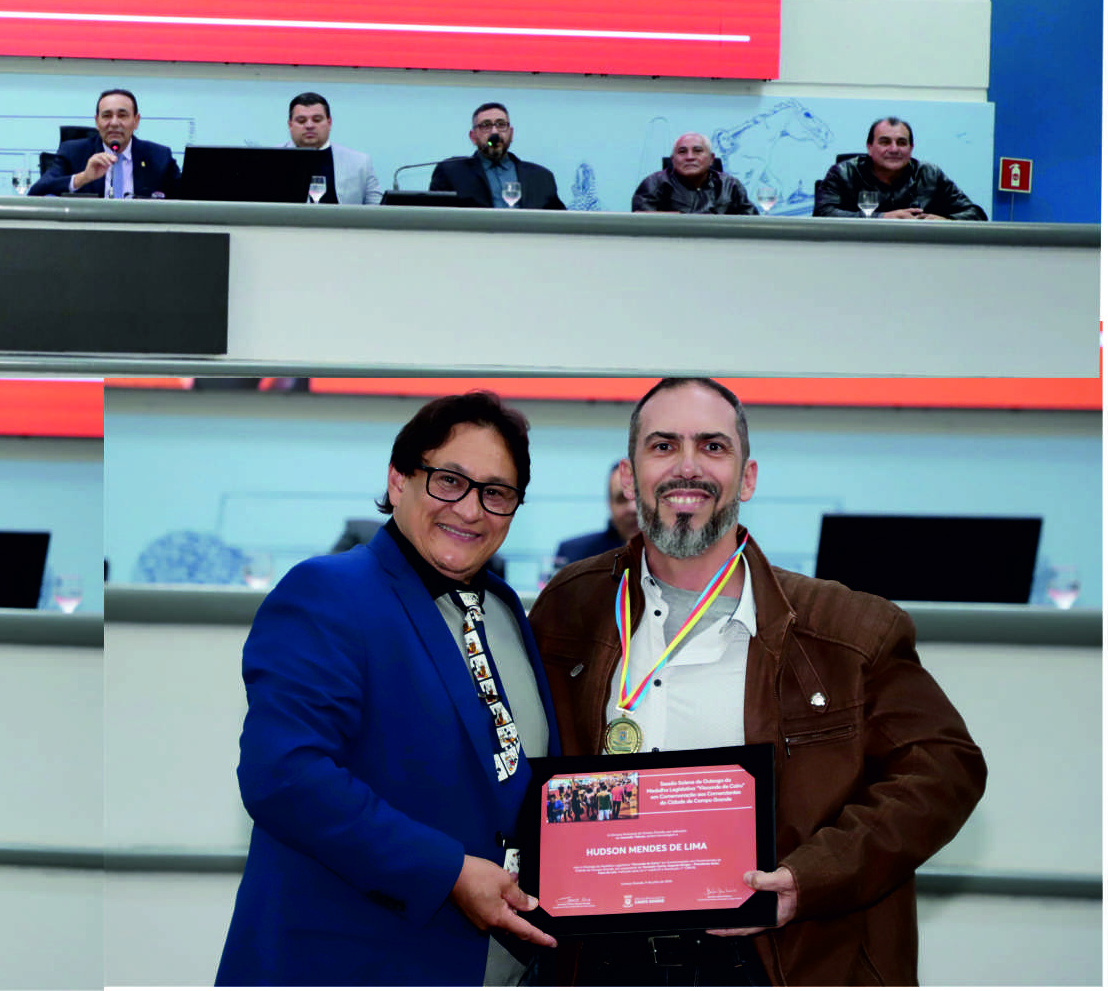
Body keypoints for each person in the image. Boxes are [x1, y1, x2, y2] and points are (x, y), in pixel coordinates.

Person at [529, 379, 987, 985]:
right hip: (602, 959)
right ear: (629, 473)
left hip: (775, 961)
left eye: (712, 447)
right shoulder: (569, 608)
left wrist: (809, 879)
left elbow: (945, 769)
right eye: (663, 446)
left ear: (746, 478)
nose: (686, 467)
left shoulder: (847, 629)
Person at [217, 392, 560, 987]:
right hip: (352, 961)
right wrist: (450, 871)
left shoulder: (504, 609)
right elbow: (284, 777)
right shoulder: (330, 592)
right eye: (450, 480)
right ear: (399, 480)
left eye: (496, 493)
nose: (472, 510)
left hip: (489, 966)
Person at [812, 117, 988, 220]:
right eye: (885, 142)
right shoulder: (843, 173)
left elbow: (977, 214)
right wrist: (882, 218)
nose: (894, 149)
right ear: (869, 147)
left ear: (911, 149)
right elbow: (822, 214)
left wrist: (947, 221)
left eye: (902, 143)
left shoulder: (929, 174)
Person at [30, 89, 180, 198]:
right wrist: (83, 177)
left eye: (122, 115)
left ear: (136, 121)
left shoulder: (159, 156)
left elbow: (188, 199)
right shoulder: (73, 153)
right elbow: (36, 193)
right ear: (97, 122)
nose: (114, 123)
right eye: (107, 116)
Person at [430, 101, 565, 209]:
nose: (495, 132)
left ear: (511, 134)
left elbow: (561, 224)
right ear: (473, 136)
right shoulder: (452, 172)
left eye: (501, 125)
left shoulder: (541, 177)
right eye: (486, 125)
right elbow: (433, 219)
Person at [281, 91, 381, 205]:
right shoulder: (270, 161)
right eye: (301, 121)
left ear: (329, 122)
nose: (309, 126)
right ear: (290, 125)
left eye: (317, 120)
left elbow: (378, 211)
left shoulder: (360, 163)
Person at [630, 132, 757, 215]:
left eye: (697, 151)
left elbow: (751, 224)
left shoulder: (730, 186)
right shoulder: (654, 184)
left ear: (711, 159)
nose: (690, 157)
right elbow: (641, 222)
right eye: (682, 152)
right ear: (673, 160)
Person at [550, 460, 639, 567]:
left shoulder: (664, 557)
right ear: (610, 504)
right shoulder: (574, 556)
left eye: (640, 498)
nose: (633, 508)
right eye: (622, 498)